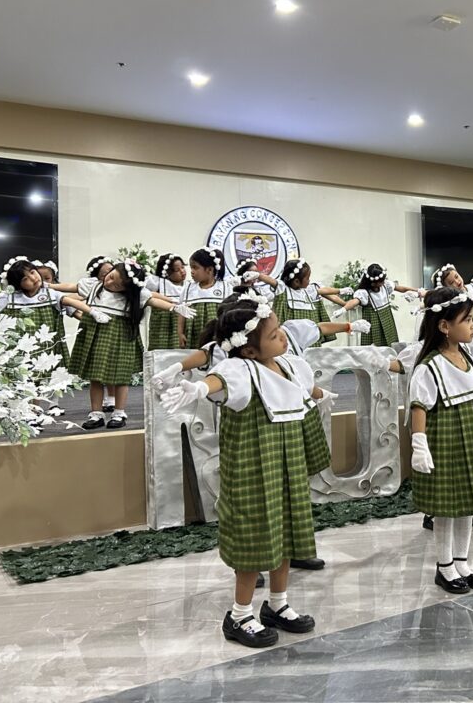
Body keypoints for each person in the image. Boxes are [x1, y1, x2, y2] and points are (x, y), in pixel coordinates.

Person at [160, 296, 318, 648]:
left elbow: (303, 391)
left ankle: (277, 604)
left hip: (286, 469)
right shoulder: (241, 370)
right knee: (254, 540)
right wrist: (199, 388)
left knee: (286, 534)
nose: (283, 337)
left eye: (279, 330)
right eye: (274, 335)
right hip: (252, 471)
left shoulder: (288, 366)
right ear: (248, 350)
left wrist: (322, 395)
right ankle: (239, 615)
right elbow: (218, 381)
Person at [408, 288, 473, 593]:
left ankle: (462, 560)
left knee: (467, 504)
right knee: (447, 506)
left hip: (471, 437)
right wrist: (419, 445)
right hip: (445, 439)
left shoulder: (470, 361)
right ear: (444, 326)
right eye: (467, 319)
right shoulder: (429, 366)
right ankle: (444, 565)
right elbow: (419, 407)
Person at [53, 260, 195, 429]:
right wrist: (48, 286)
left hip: (121, 337)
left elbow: (153, 300)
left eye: (117, 285)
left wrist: (174, 308)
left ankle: (119, 412)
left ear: (126, 289)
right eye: (111, 276)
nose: (110, 282)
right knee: (95, 377)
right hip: (95, 337)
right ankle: (96, 413)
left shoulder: (133, 296)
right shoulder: (93, 286)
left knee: (121, 377)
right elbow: (71, 287)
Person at [334, 263, 422, 346]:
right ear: (373, 282)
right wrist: (343, 310)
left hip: (388, 320)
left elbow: (401, 288)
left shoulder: (386, 286)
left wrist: (417, 291)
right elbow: (354, 301)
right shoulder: (364, 293)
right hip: (373, 322)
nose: (383, 282)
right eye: (381, 281)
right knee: (374, 346)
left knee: (391, 342)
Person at [178, 248, 227, 348]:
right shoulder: (188, 288)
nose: (192, 272)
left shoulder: (225, 288)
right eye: (191, 268)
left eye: (195, 268)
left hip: (215, 335)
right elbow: (182, 312)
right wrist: (180, 333)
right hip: (193, 336)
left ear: (209, 270)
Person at [146, 253, 188, 350]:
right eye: (177, 270)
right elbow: (147, 294)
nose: (182, 271)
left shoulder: (189, 285)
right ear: (167, 272)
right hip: (162, 326)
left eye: (183, 267)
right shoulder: (158, 284)